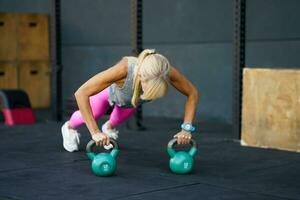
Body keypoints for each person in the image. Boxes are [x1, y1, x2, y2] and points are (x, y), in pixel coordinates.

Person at [61, 49, 199, 152]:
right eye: (147, 88)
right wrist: (95, 132)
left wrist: (186, 128)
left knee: (116, 121)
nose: (148, 92)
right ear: (140, 76)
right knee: (96, 113)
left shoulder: (164, 71)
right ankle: (68, 128)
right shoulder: (123, 70)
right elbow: (81, 93)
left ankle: (108, 128)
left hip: (129, 102)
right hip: (108, 93)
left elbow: (192, 93)